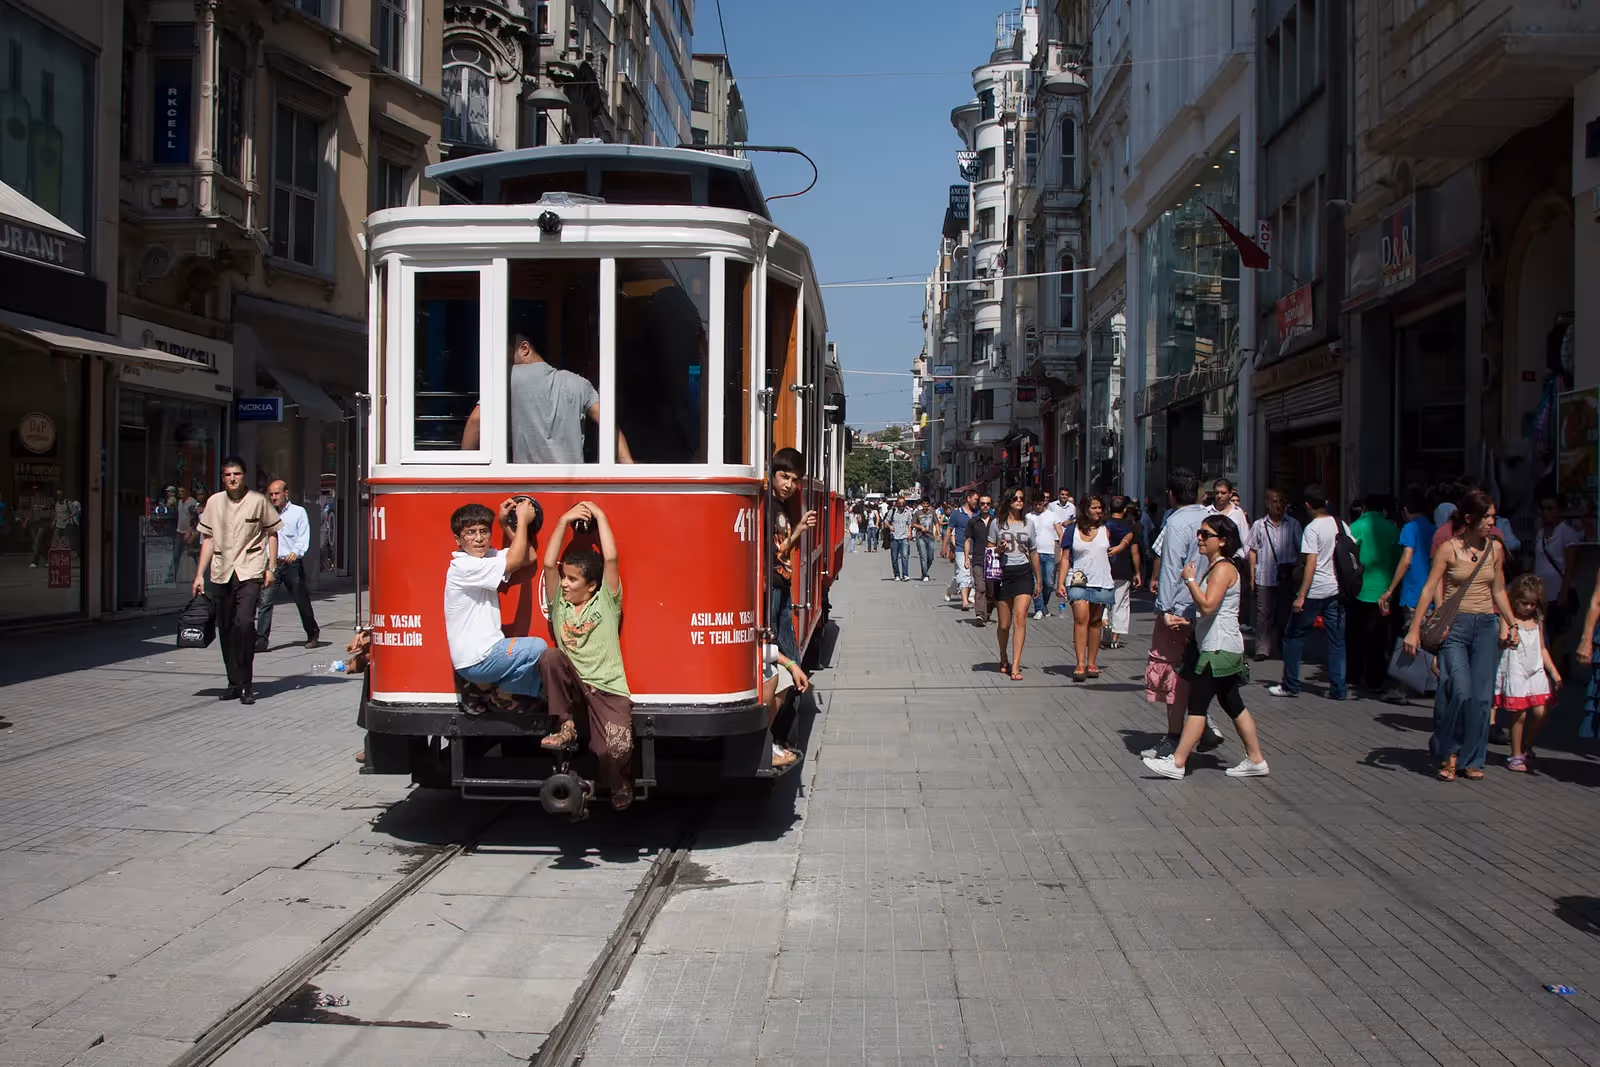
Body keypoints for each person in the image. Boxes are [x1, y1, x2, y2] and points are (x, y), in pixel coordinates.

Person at [1142, 514, 1270, 780]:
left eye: (1206, 535)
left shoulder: (1223, 568)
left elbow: (1209, 606)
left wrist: (1189, 579)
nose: (1200, 538)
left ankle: (1178, 762)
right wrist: (1188, 623)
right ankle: (1255, 758)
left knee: (1197, 705)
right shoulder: (1215, 567)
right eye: (1200, 533)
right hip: (1216, 644)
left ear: (1222, 541)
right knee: (1232, 702)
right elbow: (1211, 612)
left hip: (1218, 649)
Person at [1403, 489, 1520, 782]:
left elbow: (1499, 590)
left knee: (1482, 699)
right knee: (1461, 691)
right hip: (1455, 627)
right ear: (1470, 518)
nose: (1493, 522)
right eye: (1488, 517)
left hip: (1486, 625)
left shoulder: (1494, 549)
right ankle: (1448, 750)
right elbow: (1429, 589)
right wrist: (1414, 630)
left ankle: (1472, 758)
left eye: (1494, 516)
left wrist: (1511, 622)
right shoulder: (1449, 548)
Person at [537, 502, 637, 809]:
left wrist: (602, 516)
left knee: (615, 750)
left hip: (607, 688)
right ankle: (565, 725)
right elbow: (549, 564)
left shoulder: (606, 601)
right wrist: (563, 519)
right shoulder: (559, 605)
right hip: (575, 687)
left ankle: (619, 782)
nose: (564, 584)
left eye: (572, 580)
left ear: (591, 586)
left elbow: (610, 558)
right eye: (564, 578)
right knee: (550, 656)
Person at [1143, 469, 1225, 760]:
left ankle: (1180, 734)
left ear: (1172, 495)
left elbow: (1169, 566)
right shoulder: (1211, 520)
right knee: (1193, 670)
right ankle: (1201, 727)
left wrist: (1165, 608)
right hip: (1208, 605)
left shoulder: (1176, 522)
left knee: (1173, 673)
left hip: (1180, 606)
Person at [461, 333, 634, 463]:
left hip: (527, 487)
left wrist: (467, 468)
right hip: (570, 485)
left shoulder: (508, 377)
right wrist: (629, 469)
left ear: (524, 348)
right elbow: (609, 425)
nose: (502, 362)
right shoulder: (580, 384)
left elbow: (477, 421)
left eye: (505, 355)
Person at [191, 458, 281, 706]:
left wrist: (271, 567)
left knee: (244, 623)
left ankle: (246, 684)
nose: (232, 478)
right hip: (222, 571)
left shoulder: (258, 501)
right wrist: (199, 574)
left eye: (237, 474)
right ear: (223, 478)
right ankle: (233, 682)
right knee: (227, 627)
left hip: (250, 570)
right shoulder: (214, 502)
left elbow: (272, 533)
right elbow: (207, 540)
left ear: (245, 476)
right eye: (228, 474)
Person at [444, 498, 547, 702]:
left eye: (484, 531)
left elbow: (528, 557)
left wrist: (506, 526)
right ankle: (503, 692)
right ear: (458, 539)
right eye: (470, 533)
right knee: (538, 647)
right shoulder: (464, 567)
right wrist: (523, 522)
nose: (479, 538)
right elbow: (515, 560)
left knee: (534, 653)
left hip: (481, 656)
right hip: (478, 659)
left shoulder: (485, 559)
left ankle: (488, 688)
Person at [1267, 485, 1349, 701]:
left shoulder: (1312, 529)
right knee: (1337, 641)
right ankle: (1338, 688)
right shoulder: (1341, 524)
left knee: (1293, 636)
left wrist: (1301, 594)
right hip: (1337, 589)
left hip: (1315, 590)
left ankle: (1291, 684)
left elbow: (1310, 563)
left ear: (1308, 505)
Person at [766, 448, 813, 768]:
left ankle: (777, 739)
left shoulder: (780, 507)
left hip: (781, 590)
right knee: (781, 661)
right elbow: (776, 551)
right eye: (784, 477)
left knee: (787, 660)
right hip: (773, 590)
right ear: (772, 473)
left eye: (794, 480)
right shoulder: (769, 508)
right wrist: (797, 530)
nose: (789, 485)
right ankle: (773, 741)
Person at [1496, 574, 1559, 773]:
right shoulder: (1508, 617)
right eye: (1525, 603)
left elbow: (1542, 648)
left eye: (1533, 604)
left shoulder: (1537, 619)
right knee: (1519, 715)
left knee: (1542, 713)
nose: (1529, 608)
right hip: (1516, 667)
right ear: (1515, 600)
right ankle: (1515, 755)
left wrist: (1554, 673)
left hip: (1536, 668)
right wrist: (1507, 640)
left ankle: (1526, 744)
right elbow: (1501, 639)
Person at [1058, 494, 1120, 681]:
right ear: (1085, 509)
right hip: (1078, 581)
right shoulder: (1072, 530)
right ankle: (1080, 663)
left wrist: (1121, 547)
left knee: (1095, 621)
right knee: (1081, 618)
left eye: (1100, 507)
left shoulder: (1106, 529)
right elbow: (1066, 558)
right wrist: (1060, 583)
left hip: (1101, 580)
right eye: (1094, 507)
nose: (1098, 511)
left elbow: (1128, 535)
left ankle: (1092, 662)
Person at [254, 480, 321, 652]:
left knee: (301, 600)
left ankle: (312, 632)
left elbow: (303, 535)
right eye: (271, 494)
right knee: (265, 601)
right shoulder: (265, 513)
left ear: (286, 493)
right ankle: (261, 640)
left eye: (276, 493)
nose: (273, 497)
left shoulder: (298, 512)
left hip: (291, 564)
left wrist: (297, 551)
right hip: (272, 565)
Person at [1346, 494, 1400, 693]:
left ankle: (1353, 675)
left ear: (1365, 507)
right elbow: (1398, 560)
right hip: (1384, 590)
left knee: (1355, 635)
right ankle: (1375, 679)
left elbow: (1348, 554)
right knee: (1378, 638)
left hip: (1360, 588)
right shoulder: (1393, 529)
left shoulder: (1355, 527)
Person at [1245, 489, 1301, 661]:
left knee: (1284, 613)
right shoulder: (1259, 525)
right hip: (1265, 576)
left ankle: (1282, 646)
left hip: (1286, 577)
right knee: (1263, 614)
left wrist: (1298, 572)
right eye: (1274, 502)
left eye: (1281, 501)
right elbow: (1252, 551)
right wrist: (1252, 575)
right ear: (1267, 504)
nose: (1278, 505)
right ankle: (1262, 649)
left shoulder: (1293, 524)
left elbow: (1302, 551)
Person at [988, 486, 1038, 680]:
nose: (1019, 501)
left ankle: (1015, 665)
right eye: (1016, 498)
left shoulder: (1029, 523)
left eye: (1021, 498)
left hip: (1024, 573)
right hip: (1003, 574)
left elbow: (1033, 551)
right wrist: (999, 550)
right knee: (1004, 624)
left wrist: (1038, 578)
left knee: (1020, 619)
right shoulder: (997, 524)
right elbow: (989, 550)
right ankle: (1003, 656)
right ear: (1008, 501)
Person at [1532, 496, 1581, 641]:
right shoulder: (1540, 533)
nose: (1545, 512)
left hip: (1558, 592)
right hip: (1541, 593)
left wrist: (1564, 592)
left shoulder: (1566, 532)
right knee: (1540, 633)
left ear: (1559, 510)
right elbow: (1536, 561)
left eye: (1550, 508)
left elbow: (1570, 566)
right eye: (1543, 509)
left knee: (1558, 635)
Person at [1104, 496, 1142, 647]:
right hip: (1124, 569)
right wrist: (1137, 572)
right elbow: (1135, 553)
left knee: (1103, 601)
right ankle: (1114, 637)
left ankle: (1104, 623)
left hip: (1105, 568)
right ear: (1125, 510)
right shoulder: (1131, 527)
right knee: (1120, 603)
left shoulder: (1104, 525)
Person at [1025, 493, 1059, 620]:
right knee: (1036, 581)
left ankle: (1044, 604)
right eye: (1035, 504)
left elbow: (1060, 532)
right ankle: (1038, 608)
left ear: (1044, 503)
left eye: (1040, 504)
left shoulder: (1052, 515)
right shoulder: (1029, 517)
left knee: (1049, 583)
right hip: (1035, 552)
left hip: (1049, 552)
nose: (1038, 506)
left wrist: (1061, 550)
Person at [944, 489, 978, 609]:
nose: (977, 502)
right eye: (975, 500)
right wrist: (945, 548)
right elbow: (949, 531)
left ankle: (950, 591)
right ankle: (965, 602)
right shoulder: (956, 514)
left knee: (970, 576)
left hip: (976, 549)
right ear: (968, 498)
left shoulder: (977, 513)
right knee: (964, 574)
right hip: (960, 549)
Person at [964, 493, 995, 624]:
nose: (985, 506)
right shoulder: (973, 522)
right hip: (978, 559)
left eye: (987, 504)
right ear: (979, 505)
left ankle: (987, 613)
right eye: (982, 504)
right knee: (980, 587)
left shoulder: (996, 521)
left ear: (991, 505)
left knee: (991, 591)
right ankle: (980, 615)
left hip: (994, 560)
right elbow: (967, 540)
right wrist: (966, 558)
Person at [886, 494, 914, 581]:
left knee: (904, 556)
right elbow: (886, 522)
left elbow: (910, 523)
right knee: (894, 557)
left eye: (903, 503)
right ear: (897, 504)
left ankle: (905, 574)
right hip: (894, 537)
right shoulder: (892, 511)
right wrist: (890, 526)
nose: (901, 505)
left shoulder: (908, 512)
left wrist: (910, 532)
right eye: (899, 503)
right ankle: (897, 574)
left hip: (904, 537)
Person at [911, 498, 938, 581]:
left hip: (930, 537)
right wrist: (920, 527)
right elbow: (912, 524)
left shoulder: (932, 512)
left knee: (930, 557)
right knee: (923, 557)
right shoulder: (917, 513)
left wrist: (939, 534)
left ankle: (924, 571)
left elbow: (936, 523)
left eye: (927, 504)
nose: (925, 506)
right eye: (924, 504)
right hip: (920, 537)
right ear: (921, 505)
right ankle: (925, 575)